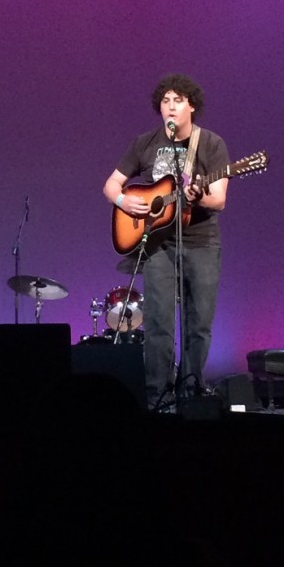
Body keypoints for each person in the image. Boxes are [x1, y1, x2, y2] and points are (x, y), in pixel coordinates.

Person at [103, 73, 229, 410]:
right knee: (159, 322)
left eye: (178, 100)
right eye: (165, 101)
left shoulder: (211, 143)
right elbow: (111, 184)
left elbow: (218, 199)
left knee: (199, 322)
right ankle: (157, 395)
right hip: (157, 244)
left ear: (192, 106)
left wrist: (197, 197)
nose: (171, 107)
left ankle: (192, 389)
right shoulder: (144, 143)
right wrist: (123, 201)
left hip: (202, 242)